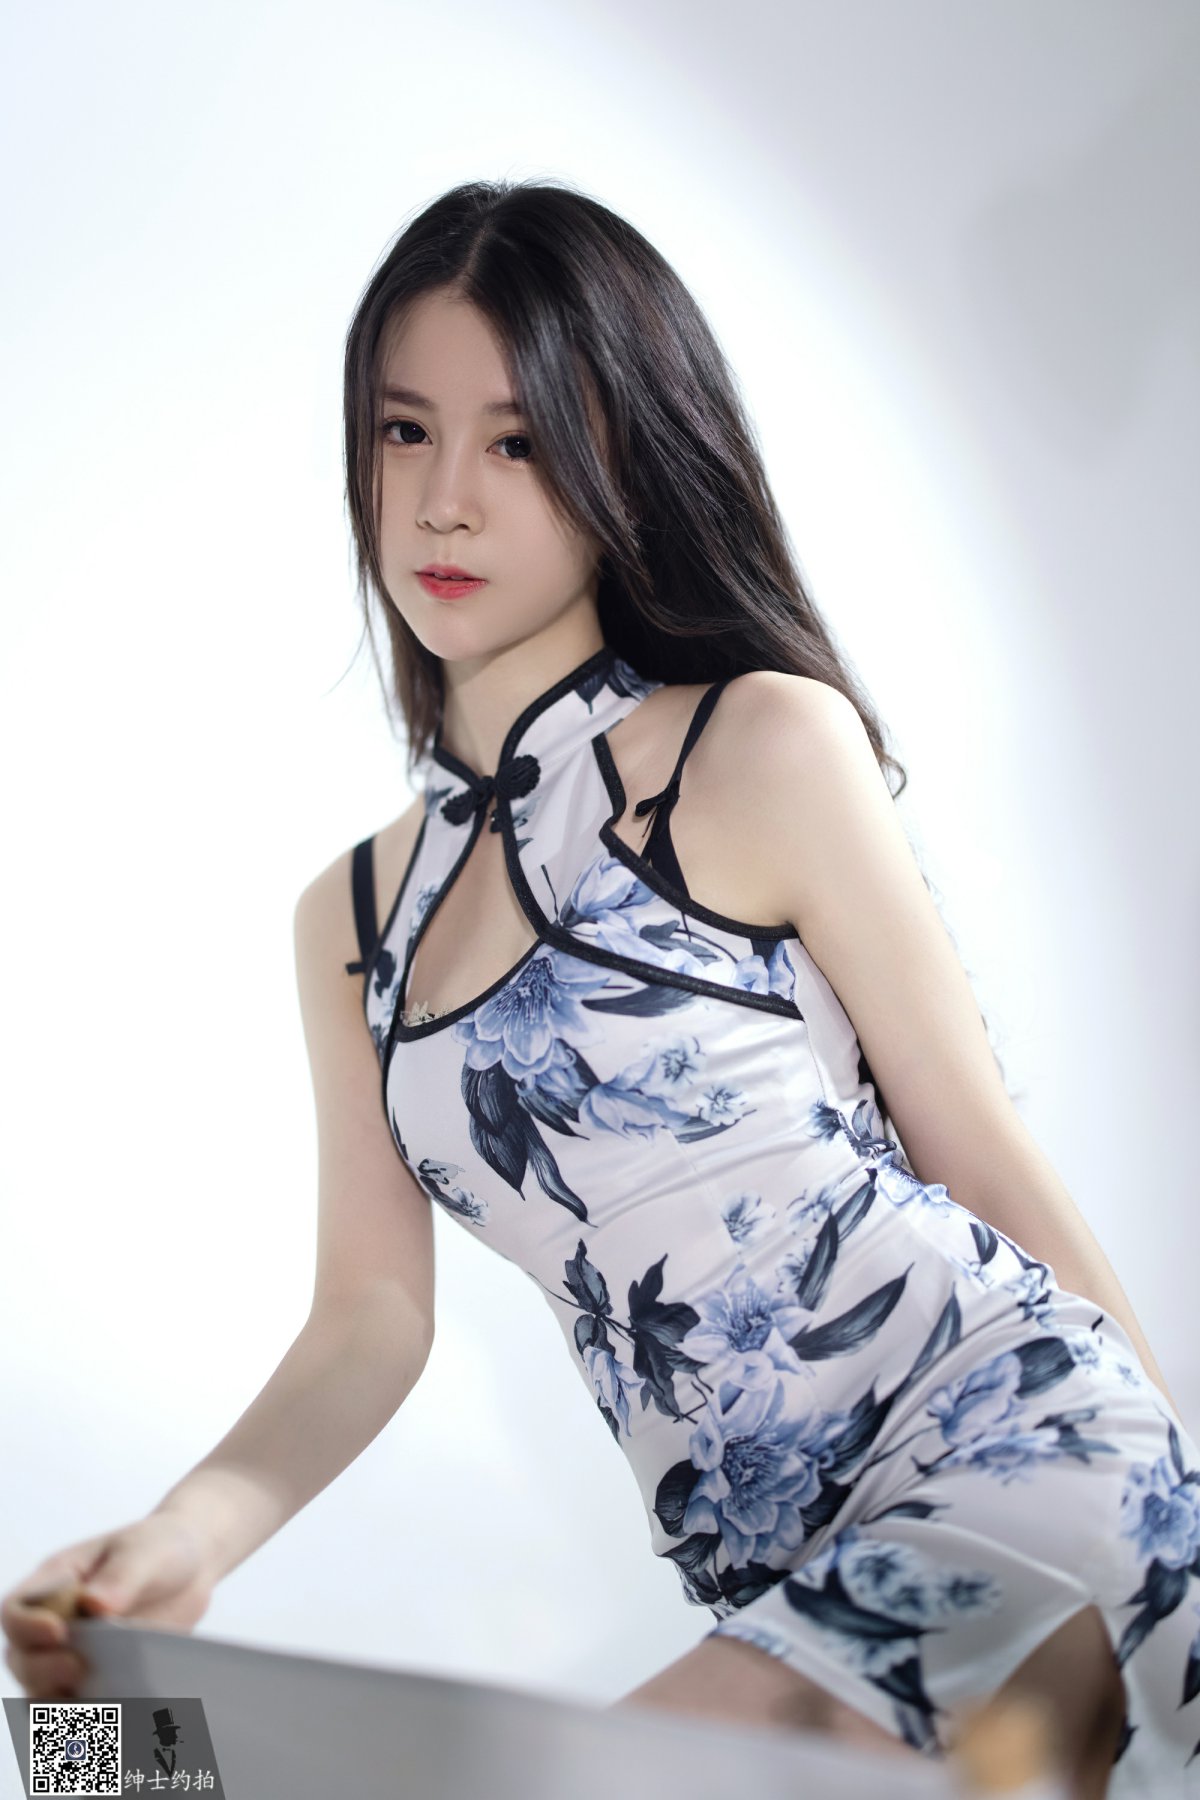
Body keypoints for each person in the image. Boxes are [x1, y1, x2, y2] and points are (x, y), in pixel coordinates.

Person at [4, 178, 1198, 1799]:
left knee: (559, 1788)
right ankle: (91, 1749)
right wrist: (182, 1536)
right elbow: (369, 1319)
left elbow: (978, 1153)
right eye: (405, 432)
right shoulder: (350, 920)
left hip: (1027, 1455)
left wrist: (1190, 1525)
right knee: (100, 1755)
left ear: (620, 456)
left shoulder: (756, 744)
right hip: (782, 1581)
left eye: (516, 442)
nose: (443, 503)